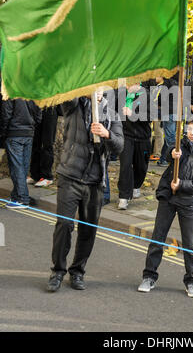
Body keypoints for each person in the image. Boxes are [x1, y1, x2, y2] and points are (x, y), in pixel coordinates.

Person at [47, 92, 124, 292]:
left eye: (99, 89)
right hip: (70, 175)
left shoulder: (112, 114)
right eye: (93, 88)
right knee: (64, 224)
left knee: (88, 229)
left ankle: (77, 271)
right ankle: (57, 271)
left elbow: (119, 145)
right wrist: (80, 90)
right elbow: (64, 94)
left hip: (95, 181)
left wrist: (107, 134)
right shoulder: (74, 105)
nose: (96, 93)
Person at [138, 114, 193, 298]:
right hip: (169, 198)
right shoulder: (179, 145)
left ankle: (192, 281)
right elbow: (168, 152)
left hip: (188, 202)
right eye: (189, 129)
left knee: (190, 243)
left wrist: (182, 185)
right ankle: (149, 276)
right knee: (158, 237)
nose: (191, 133)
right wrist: (171, 153)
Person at [1, 98, 42, 209]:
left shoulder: (11, 90)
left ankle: (22, 198)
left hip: (14, 132)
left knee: (17, 167)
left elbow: (6, 113)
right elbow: (39, 113)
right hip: (29, 133)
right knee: (22, 167)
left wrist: (3, 132)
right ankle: (16, 196)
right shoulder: (32, 90)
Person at [117, 83, 151, 210]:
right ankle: (123, 197)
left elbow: (150, 117)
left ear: (137, 84)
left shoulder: (146, 95)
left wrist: (132, 114)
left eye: (130, 84)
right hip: (126, 136)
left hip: (143, 137)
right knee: (125, 165)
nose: (127, 86)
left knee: (141, 167)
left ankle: (136, 185)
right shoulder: (122, 95)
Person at [27, 106, 59, 187]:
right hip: (38, 109)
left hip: (50, 109)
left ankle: (47, 177)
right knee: (35, 144)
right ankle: (35, 175)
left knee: (47, 144)